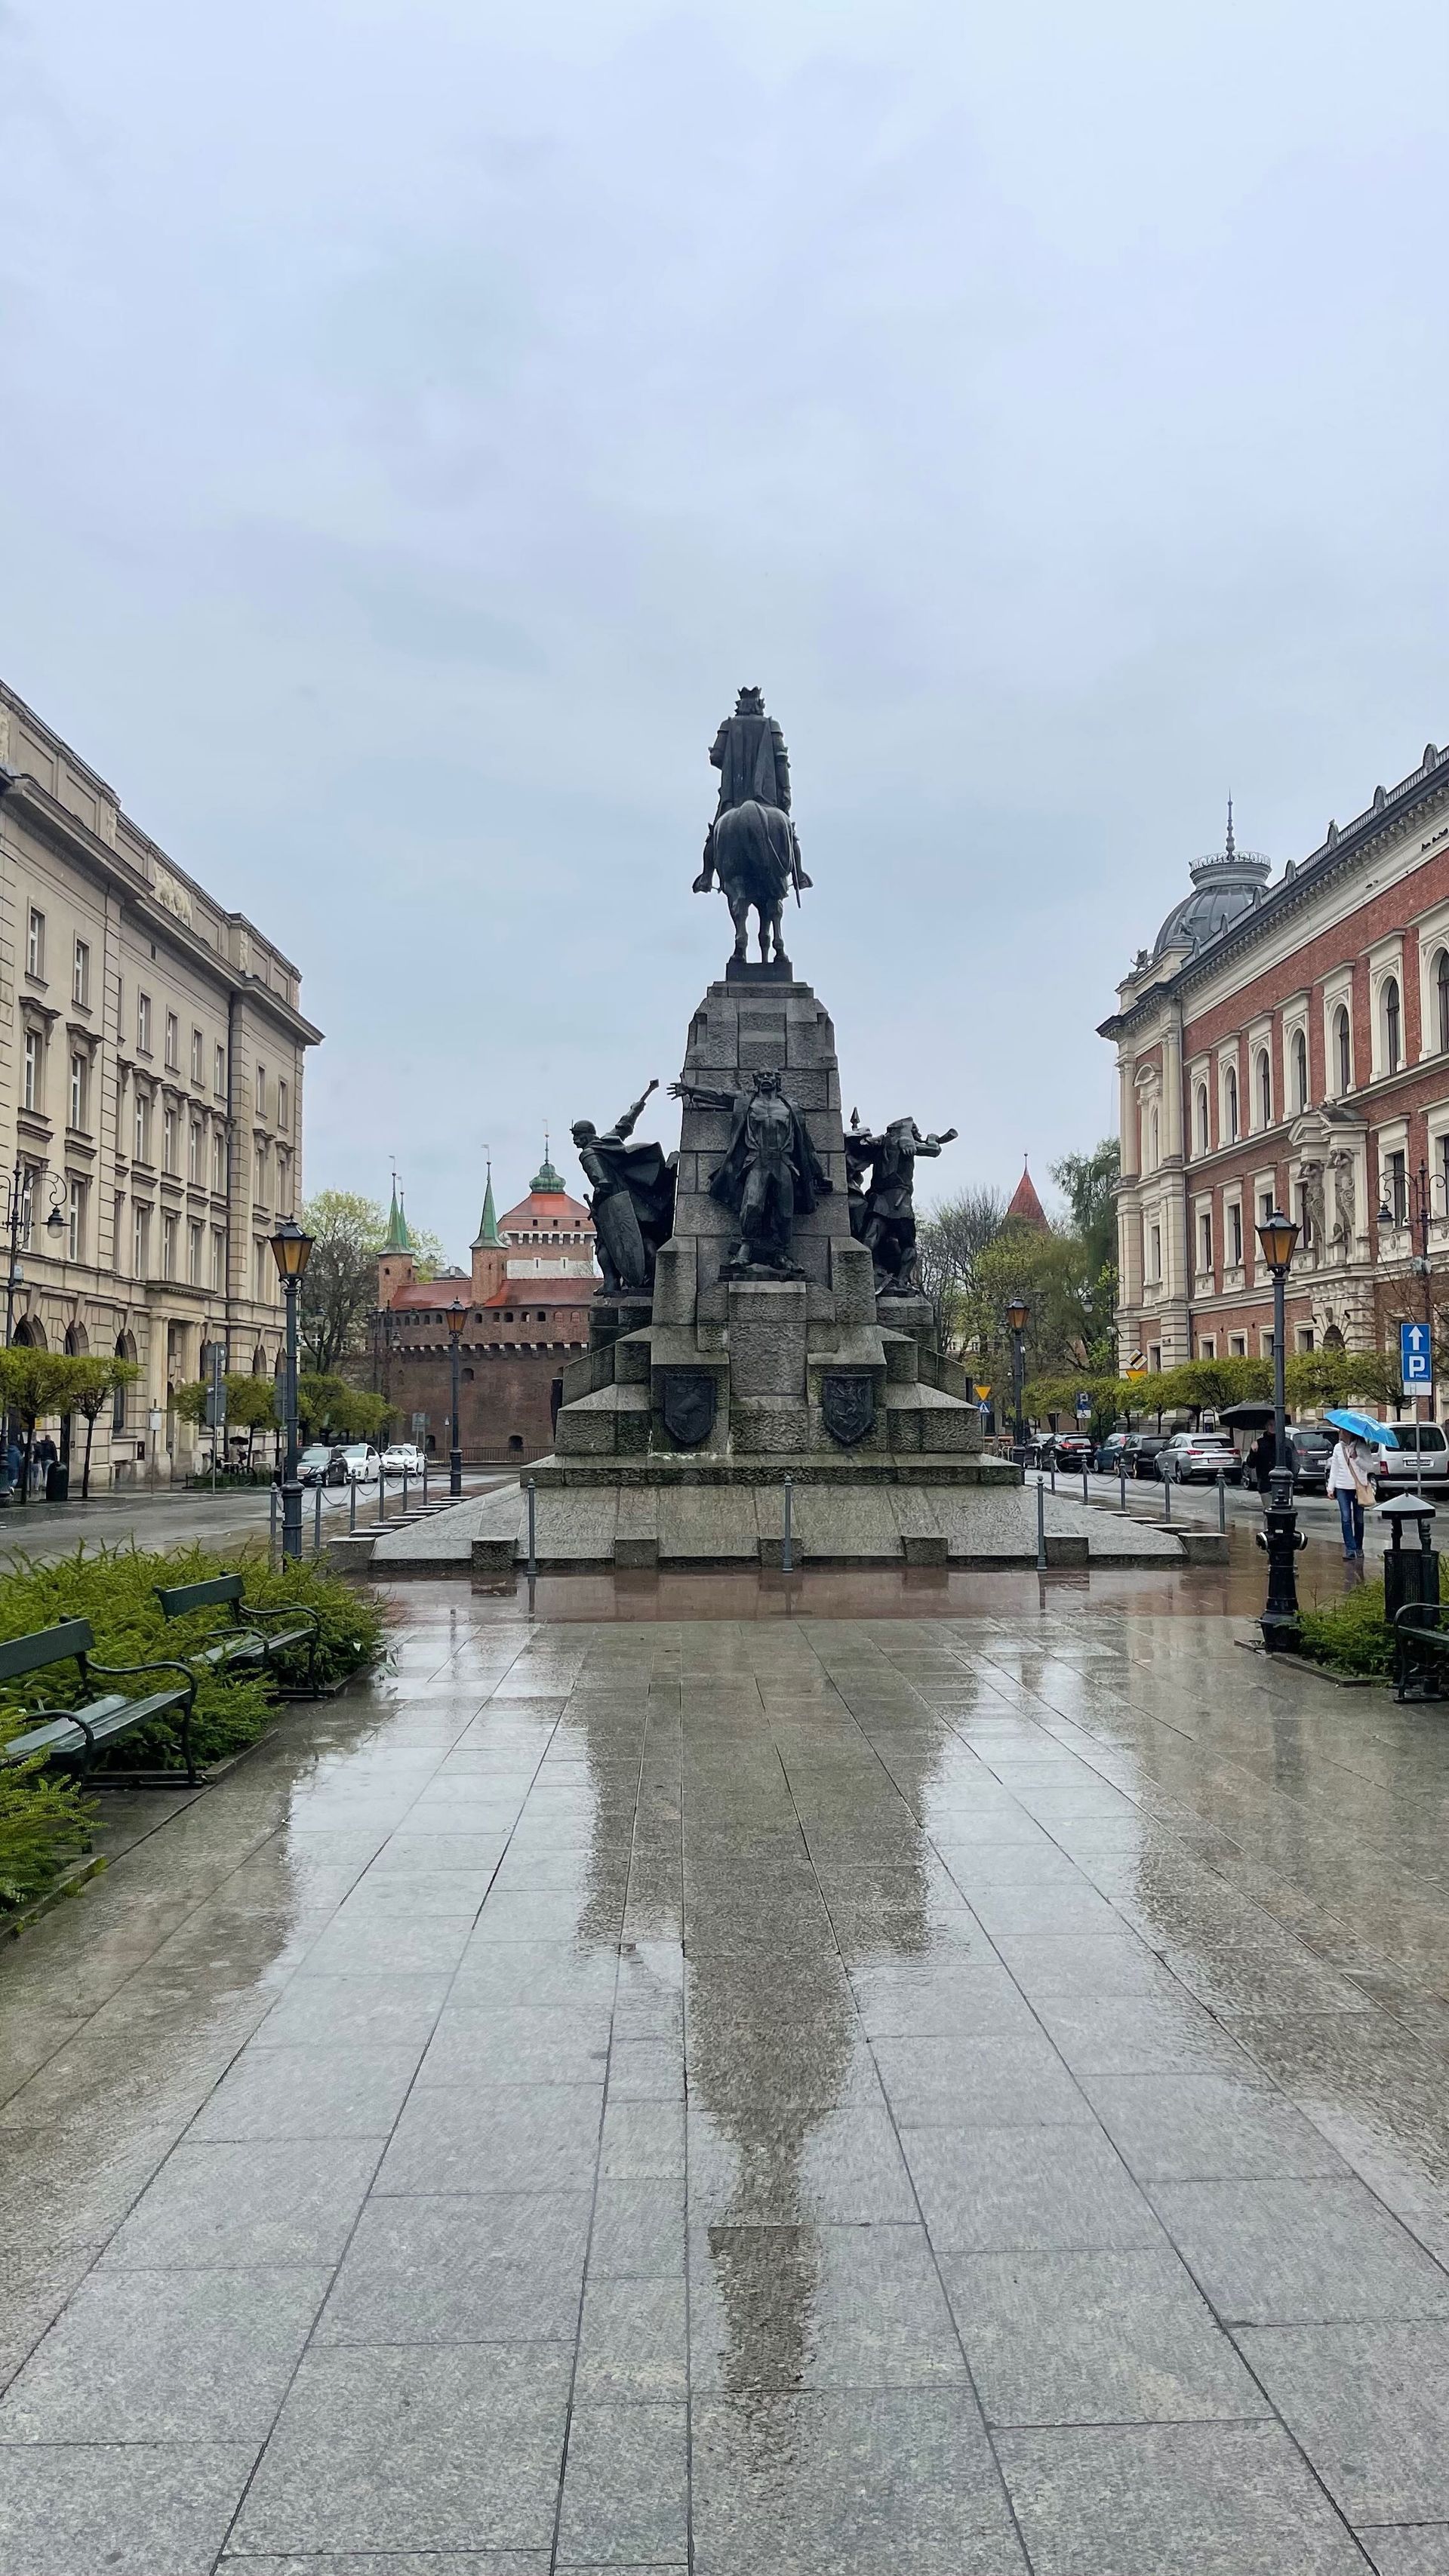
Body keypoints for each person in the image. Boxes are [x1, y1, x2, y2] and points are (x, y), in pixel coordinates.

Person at [1327, 1430, 1371, 1560]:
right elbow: (1334, 1468)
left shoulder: (1362, 1447)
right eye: (1340, 1430)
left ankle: (1359, 1547)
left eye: (1344, 1431)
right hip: (1342, 1487)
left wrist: (1356, 1458)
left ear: (1351, 1433)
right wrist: (1331, 1488)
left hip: (1358, 1488)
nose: (1341, 1433)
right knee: (1345, 1518)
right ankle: (1350, 1548)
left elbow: (1369, 1467)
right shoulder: (1338, 1447)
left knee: (1359, 1519)